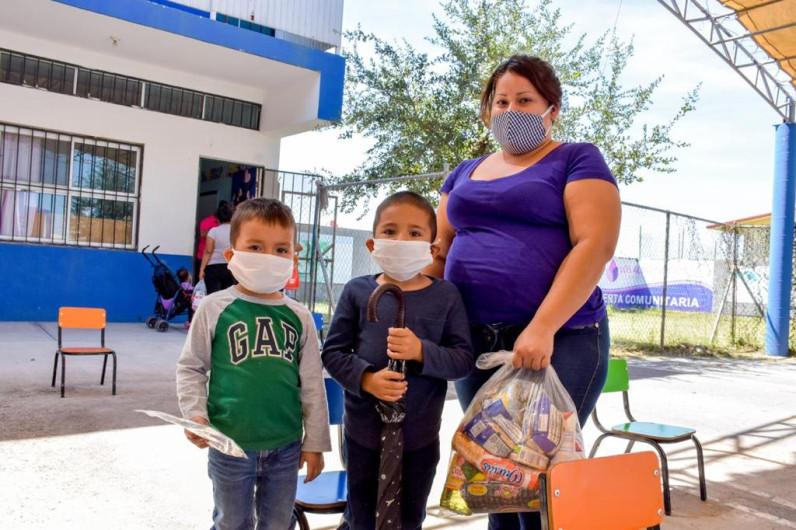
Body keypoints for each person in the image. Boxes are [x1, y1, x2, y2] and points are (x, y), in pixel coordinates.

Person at [427, 55, 621, 530]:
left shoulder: (576, 158)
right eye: (501, 101)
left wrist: (542, 327)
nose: (510, 110)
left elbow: (595, 244)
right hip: (474, 343)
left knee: (537, 484)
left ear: (551, 108)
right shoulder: (464, 171)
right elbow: (440, 246)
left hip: (561, 339)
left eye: (525, 100)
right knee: (494, 481)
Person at [322, 191, 474, 530]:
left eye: (415, 233)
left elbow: (463, 360)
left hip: (419, 438)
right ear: (372, 244)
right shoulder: (357, 291)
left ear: (432, 249)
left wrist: (422, 351)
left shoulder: (446, 296)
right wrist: (366, 379)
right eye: (390, 231)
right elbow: (332, 353)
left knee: (408, 519)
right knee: (361, 516)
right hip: (363, 434)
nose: (401, 239)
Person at [176, 198, 331, 530]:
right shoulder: (214, 308)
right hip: (229, 443)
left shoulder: (300, 317)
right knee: (232, 522)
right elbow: (191, 367)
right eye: (256, 247)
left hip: (286, 447)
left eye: (280, 250)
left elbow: (312, 384)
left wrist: (315, 443)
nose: (269, 257)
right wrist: (195, 414)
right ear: (232, 255)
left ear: (293, 257)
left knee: (278, 523)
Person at [200, 201, 235, 294]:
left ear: (218, 219)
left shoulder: (213, 231)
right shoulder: (236, 232)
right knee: (228, 296)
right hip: (230, 267)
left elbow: (208, 251)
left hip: (213, 268)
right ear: (232, 218)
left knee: (213, 296)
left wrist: (202, 269)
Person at [195, 201, 227, 279]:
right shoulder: (207, 221)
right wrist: (218, 231)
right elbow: (202, 233)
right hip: (203, 258)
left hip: (220, 260)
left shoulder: (228, 225)